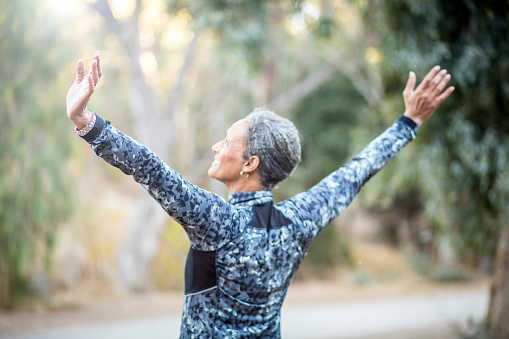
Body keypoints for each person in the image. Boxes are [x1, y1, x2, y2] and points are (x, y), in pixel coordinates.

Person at [66, 51, 454, 338]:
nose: (217, 147)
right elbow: (355, 174)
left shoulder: (217, 222)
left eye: (228, 141)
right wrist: (408, 122)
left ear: (250, 163)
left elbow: (152, 171)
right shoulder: (301, 219)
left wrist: (86, 122)